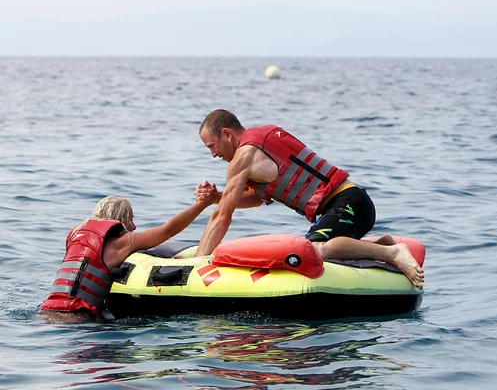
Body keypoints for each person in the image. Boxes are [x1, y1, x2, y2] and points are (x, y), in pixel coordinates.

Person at [193, 109, 424, 289]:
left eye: (212, 146)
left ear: (227, 134)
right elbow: (256, 197)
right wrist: (217, 197)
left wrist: (196, 264)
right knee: (314, 246)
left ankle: (393, 253)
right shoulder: (262, 139)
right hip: (354, 203)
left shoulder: (243, 157)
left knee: (314, 249)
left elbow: (222, 217)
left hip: (347, 204)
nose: (213, 154)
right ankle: (379, 245)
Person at [41, 184, 217, 320]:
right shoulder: (122, 242)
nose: (134, 227)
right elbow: (167, 230)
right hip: (77, 318)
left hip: (48, 312)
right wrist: (203, 204)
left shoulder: (77, 237)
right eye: (131, 220)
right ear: (121, 220)